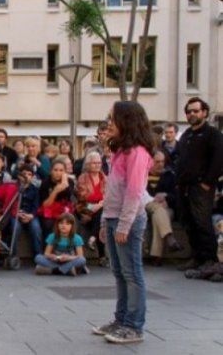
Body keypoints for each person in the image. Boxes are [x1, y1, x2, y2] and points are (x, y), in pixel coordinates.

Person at [92, 100, 154, 344]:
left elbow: (134, 192)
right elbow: (112, 191)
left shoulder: (138, 153)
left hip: (128, 219)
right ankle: (120, 319)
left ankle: (134, 326)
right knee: (119, 272)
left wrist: (124, 225)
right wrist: (105, 221)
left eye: (112, 118)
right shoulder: (120, 151)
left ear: (126, 121)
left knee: (132, 272)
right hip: (113, 217)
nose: (109, 123)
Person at [175, 97, 223, 272]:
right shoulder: (186, 135)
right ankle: (197, 257)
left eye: (196, 111)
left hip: (201, 187)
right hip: (184, 187)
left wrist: (207, 182)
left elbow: (218, 160)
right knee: (189, 222)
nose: (192, 114)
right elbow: (179, 159)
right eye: (189, 111)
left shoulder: (212, 134)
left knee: (202, 222)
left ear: (204, 112)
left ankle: (210, 259)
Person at [146, 150, 182, 267]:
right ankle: (169, 238)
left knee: (160, 214)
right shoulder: (143, 174)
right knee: (157, 209)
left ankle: (156, 256)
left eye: (162, 161)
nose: (161, 164)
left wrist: (166, 197)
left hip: (166, 208)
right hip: (146, 206)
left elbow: (177, 196)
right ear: (150, 161)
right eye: (157, 162)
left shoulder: (170, 175)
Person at [75, 151, 107, 267]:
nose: (97, 165)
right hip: (85, 208)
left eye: (99, 162)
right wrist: (96, 205)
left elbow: (109, 197)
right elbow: (82, 198)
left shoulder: (105, 178)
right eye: (94, 163)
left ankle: (93, 238)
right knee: (100, 216)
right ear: (88, 164)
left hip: (100, 210)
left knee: (100, 214)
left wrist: (99, 204)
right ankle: (102, 256)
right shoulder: (82, 178)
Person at [38, 157, 75, 239]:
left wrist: (64, 180)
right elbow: (45, 205)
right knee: (48, 224)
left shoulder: (69, 181)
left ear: (65, 172)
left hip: (65, 208)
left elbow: (68, 193)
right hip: (49, 208)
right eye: (55, 170)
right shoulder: (45, 183)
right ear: (51, 171)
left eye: (61, 170)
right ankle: (47, 249)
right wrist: (55, 191)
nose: (58, 173)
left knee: (72, 224)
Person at [12, 163, 43, 257]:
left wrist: (31, 215)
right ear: (19, 175)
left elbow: (36, 205)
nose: (26, 176)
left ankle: (38, 255)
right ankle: (13, 255)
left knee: (36, 228)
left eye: (29, 174)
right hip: (15, 214)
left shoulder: (35, 189)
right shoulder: (14, 188)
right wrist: (16, 213)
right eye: (24, 173)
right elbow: (10, 203)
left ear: (33, 177)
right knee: (15, 228)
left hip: (30, 215)